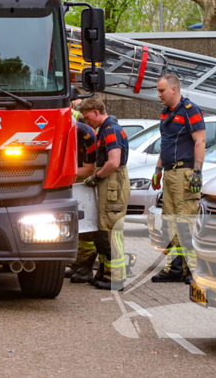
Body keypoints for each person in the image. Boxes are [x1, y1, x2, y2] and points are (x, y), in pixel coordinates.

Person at [151, 73, 206, 283]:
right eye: (158, 91)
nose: (159, 95)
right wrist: (158, 170)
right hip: (169, 173)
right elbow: (165, 143)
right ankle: (176, 268)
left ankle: (195, 270)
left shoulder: (190, 111)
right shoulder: (166, 113)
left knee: (186, 222)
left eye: (162, 90)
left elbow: (199, 142)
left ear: (174, 89)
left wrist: (197, 173)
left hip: (185, 173)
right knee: (170, 221)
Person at [79, 96, 131, 291]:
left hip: (112, 183)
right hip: (110, 183)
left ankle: (115, 277)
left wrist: (97, 177)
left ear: (96, 112)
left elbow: (113, 162)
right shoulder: (106, 130)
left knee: (111, 231)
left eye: (87, 117)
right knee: (103, 231)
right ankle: (105, 272)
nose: (86, 121)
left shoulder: (111, 131)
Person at [67, 118, 98, 283]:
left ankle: (85, 267)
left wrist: (62, 171)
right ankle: (77, 264)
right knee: (73, 227)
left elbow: (88, 169)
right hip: (70, 181)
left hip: (82, 183)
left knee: (84, 228)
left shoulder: (85, 135)